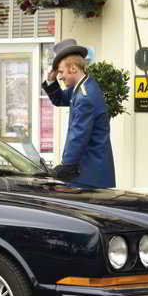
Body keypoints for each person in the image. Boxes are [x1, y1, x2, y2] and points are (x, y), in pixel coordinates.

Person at [42, 39, 115, 188]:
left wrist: (66, 165)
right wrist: (51, 81)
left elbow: (78, 135)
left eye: (61, 72)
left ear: (73, 68)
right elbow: (60, 99)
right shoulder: (83, 86)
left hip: (88, 174)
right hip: (89, 171)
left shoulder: (85, 96)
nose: (60, 76)